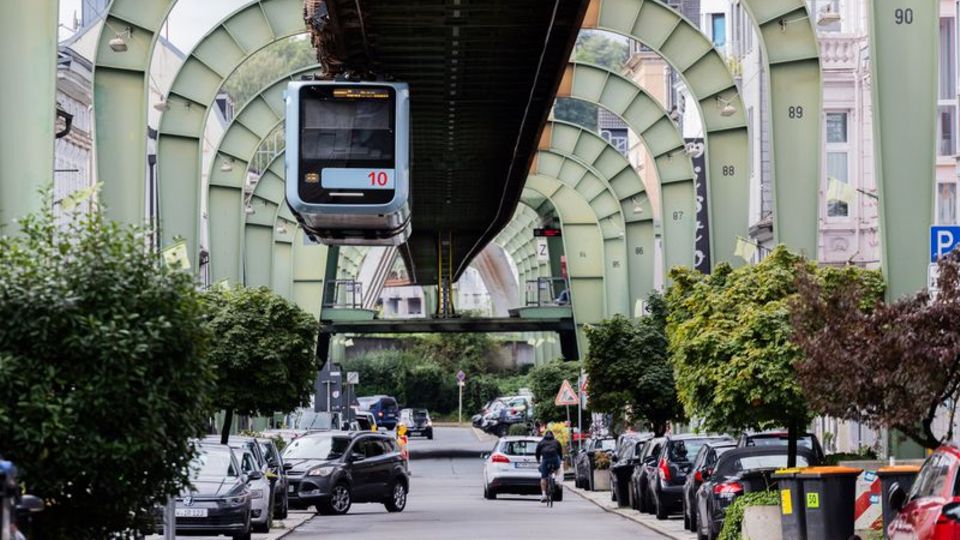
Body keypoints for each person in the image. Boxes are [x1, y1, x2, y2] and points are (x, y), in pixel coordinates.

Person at [535, 430, 563, 502]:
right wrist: (561, 459)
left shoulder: (541, 442)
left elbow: (537, 452)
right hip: (554, 458)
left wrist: (538, 460)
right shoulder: (556, 442)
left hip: (545, 459)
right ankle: (557, 480)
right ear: (552, 436)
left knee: (543, 477)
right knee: (558, 467)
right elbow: (560, 452)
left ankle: (544, 495)